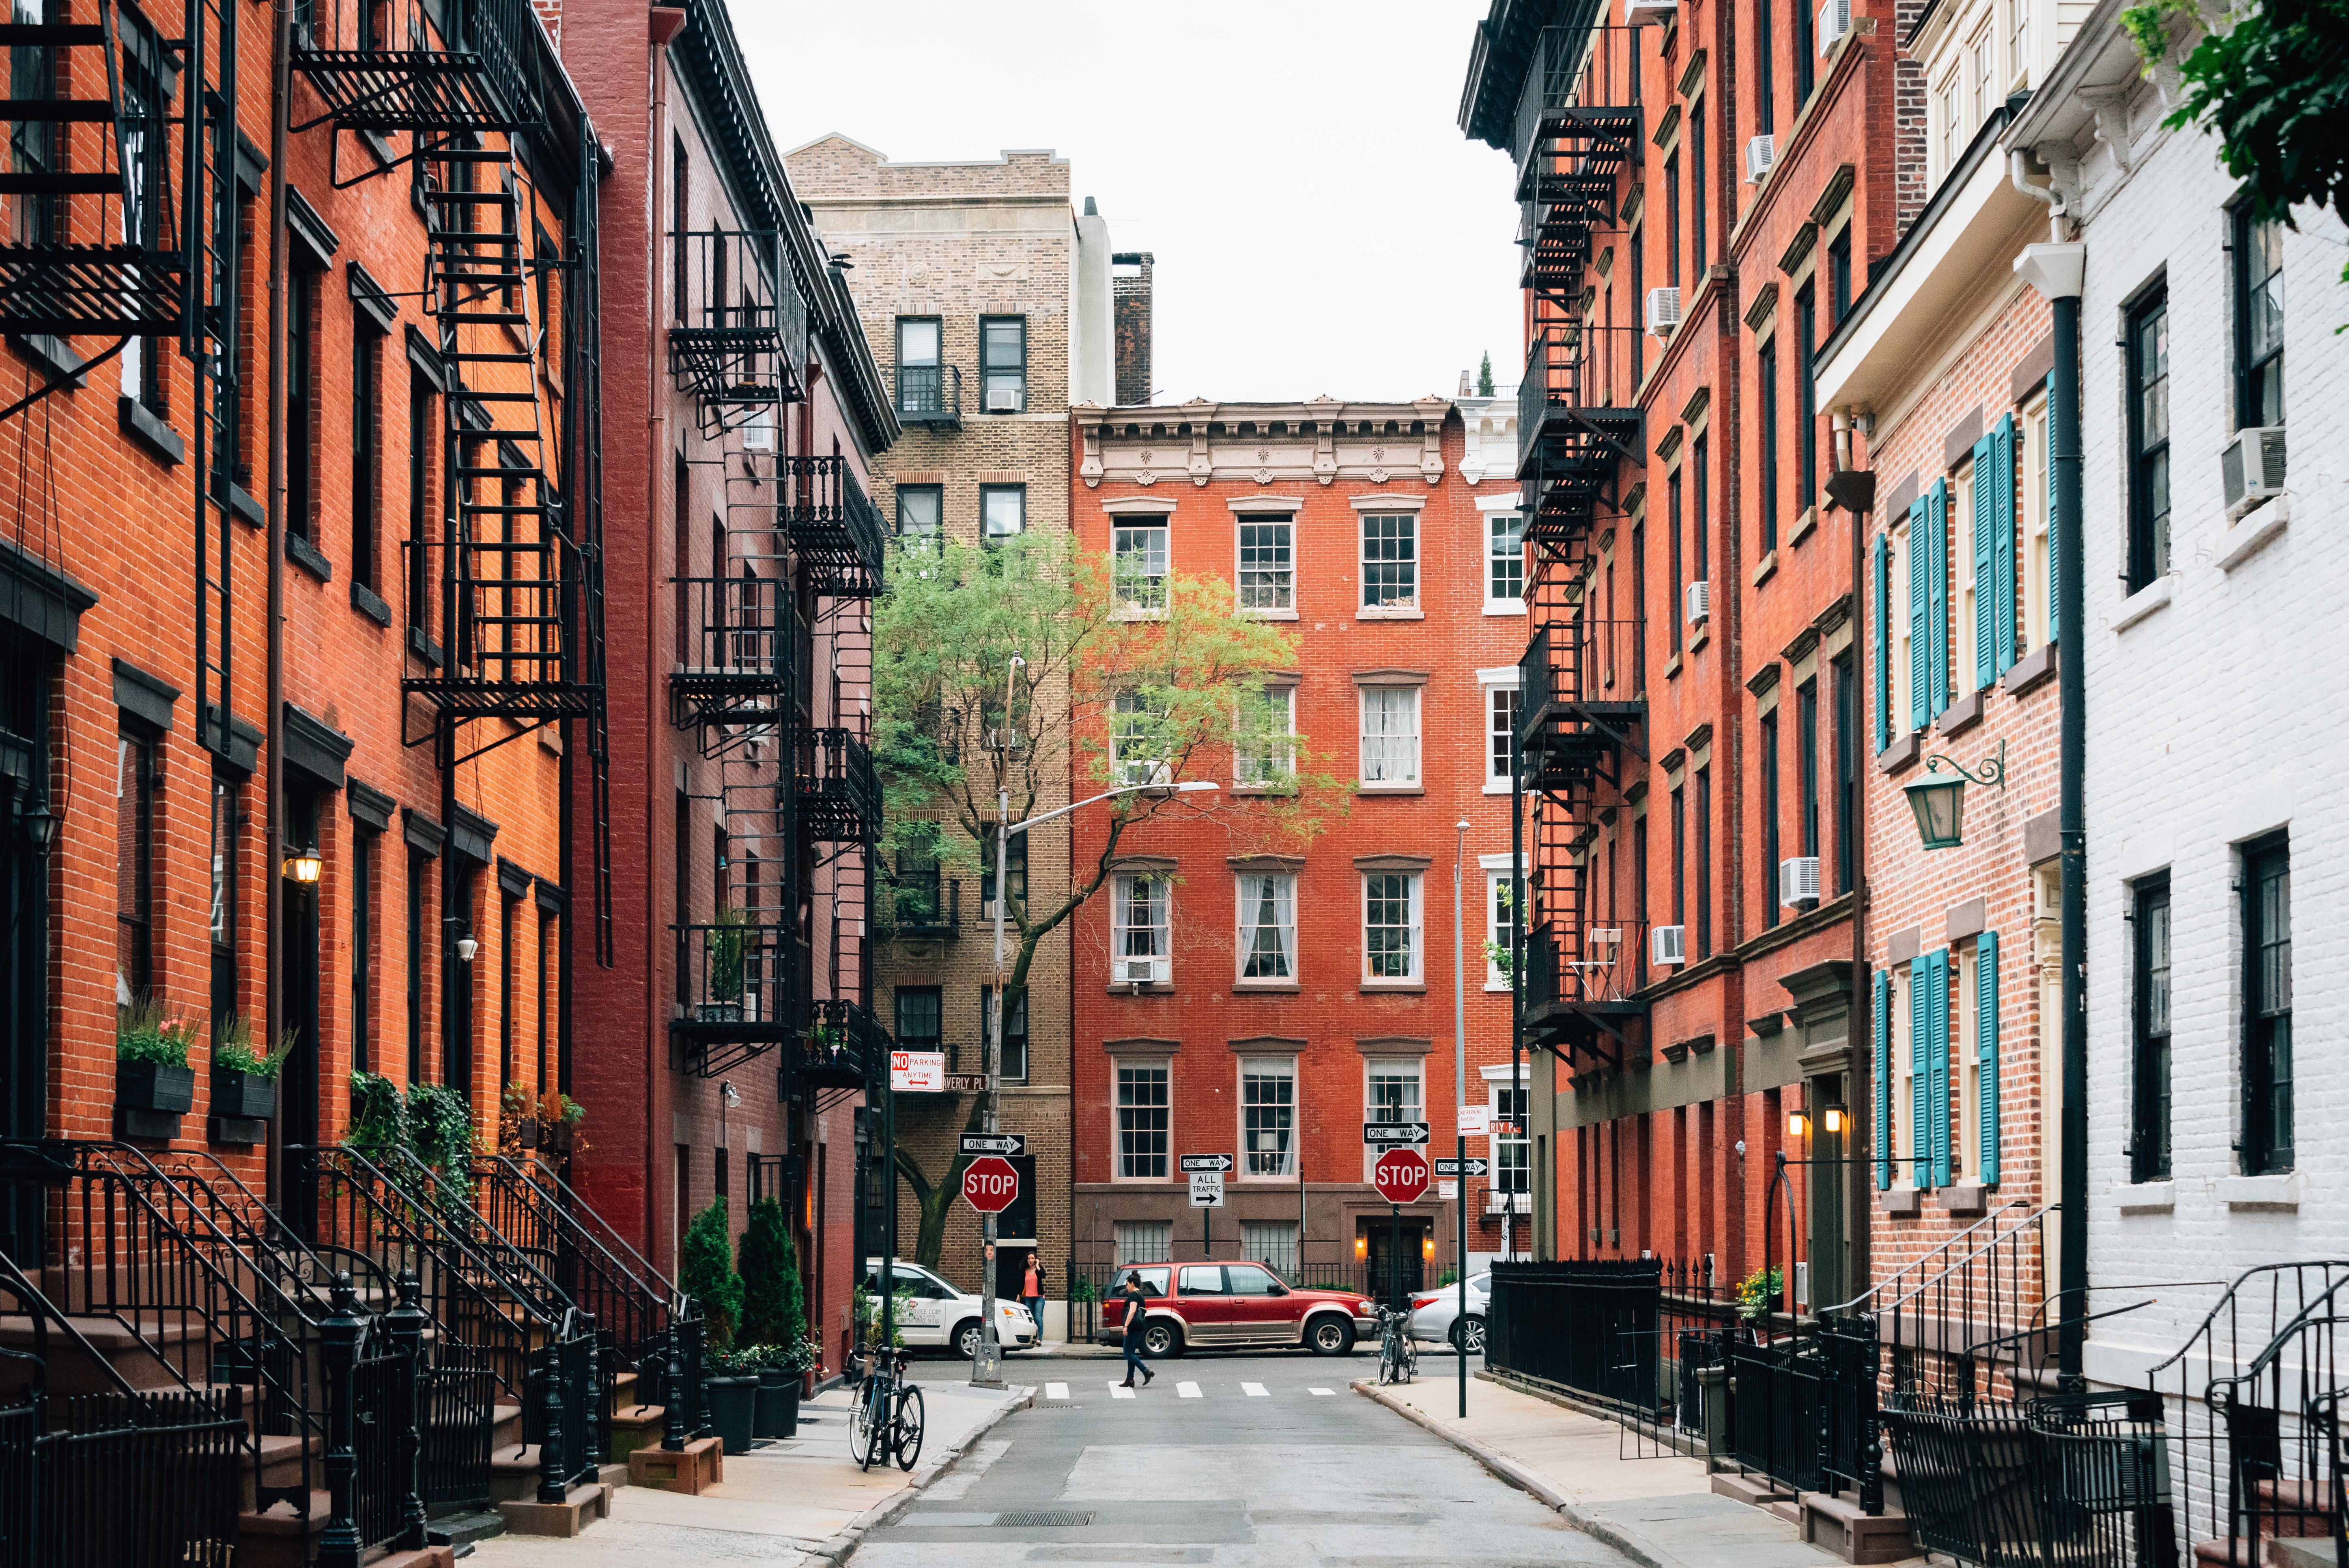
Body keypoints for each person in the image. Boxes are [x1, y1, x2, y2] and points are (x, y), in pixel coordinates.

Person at [1118, 1270, 1155, 1389]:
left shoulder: (1134, 1295)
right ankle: (1130, 1379)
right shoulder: (1141, 1294)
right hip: (1140, 1326)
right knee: (1131, 1353)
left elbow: (1133, 1310)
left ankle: (1146, 1371)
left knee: (1127, 1353)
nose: (1126, 1286)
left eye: (1127, 1284)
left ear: (1133, 1283)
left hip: (1133, 1327)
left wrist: (1126, 1326)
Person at [1023, 1254, 1045, 1340]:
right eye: (1029, 1259)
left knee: (1038, 1318)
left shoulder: (1038, 1270)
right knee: (1031, 1319)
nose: (1031, 1260)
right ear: (1027, 1260)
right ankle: (1033, 1338)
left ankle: (1039, 1339)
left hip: (1039, 1298)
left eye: (1033, 1258)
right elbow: (1022, 1284)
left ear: (1035, 1260)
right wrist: (1019, 1295)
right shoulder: (1025, 1271)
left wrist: (1038, 1266)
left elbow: (1043, 1275)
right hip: (1029, 1298)